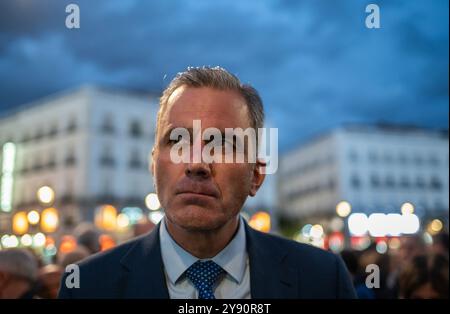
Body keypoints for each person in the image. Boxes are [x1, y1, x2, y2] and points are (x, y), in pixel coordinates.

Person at [58, 66, 356, 299]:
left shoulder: (322, 279)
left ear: (256, 176)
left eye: (222, 144)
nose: (197, 164)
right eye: (177, 141)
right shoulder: (88, 286)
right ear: (153, 165)